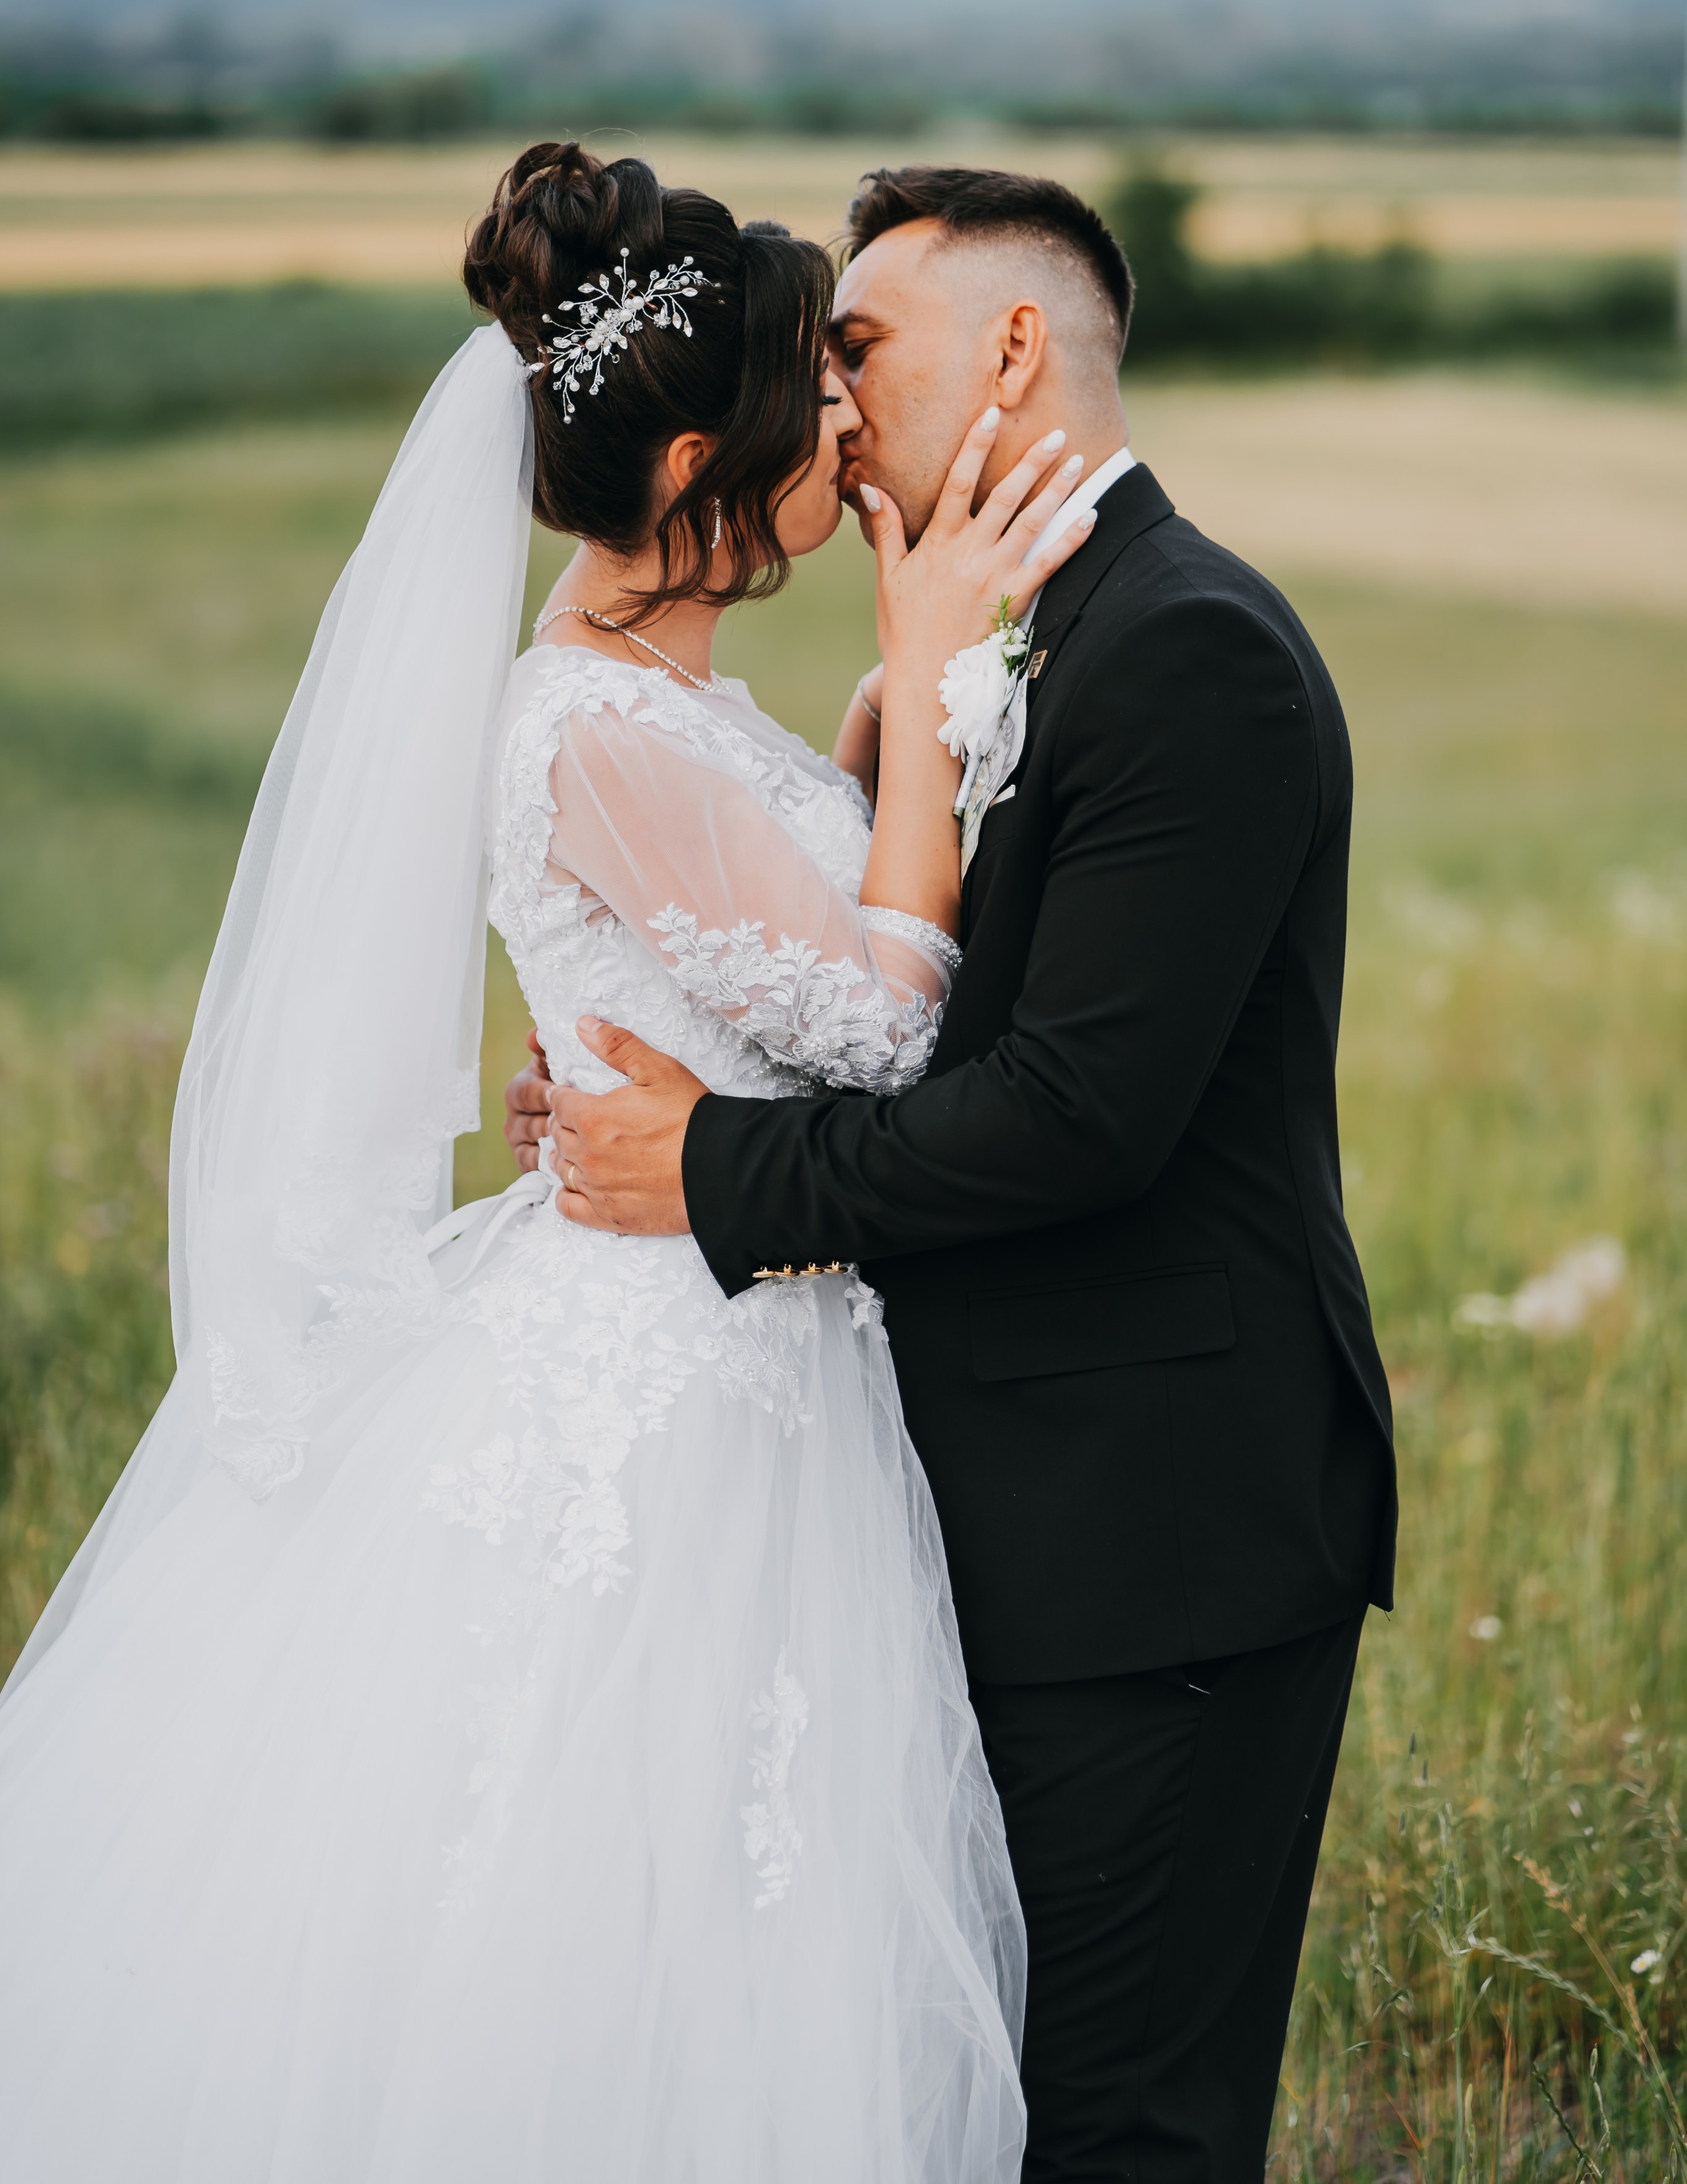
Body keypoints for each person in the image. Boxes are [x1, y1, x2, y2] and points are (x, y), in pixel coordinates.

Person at [0, 144, 1099, 2182]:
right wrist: (931, 688)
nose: (850, 436)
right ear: (695, 465)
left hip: (732, 1320)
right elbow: (883, 1029)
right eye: (814, 408)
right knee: (613, 1879)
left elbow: (748, 945)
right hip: (673, 1385)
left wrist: (874, 747)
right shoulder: (601, 727)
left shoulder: (666, 707)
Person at [507, 163, 1400, 2182]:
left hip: (1159, 1528)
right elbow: (844, 965)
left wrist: (711, 1159)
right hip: (960, 1504)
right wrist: (626, 1055)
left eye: (859, 348)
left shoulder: (1185, 649)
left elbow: (1077, 1114)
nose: (824, 401)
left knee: (1117, 2127)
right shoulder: (1002, 640)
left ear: (1013, 352)